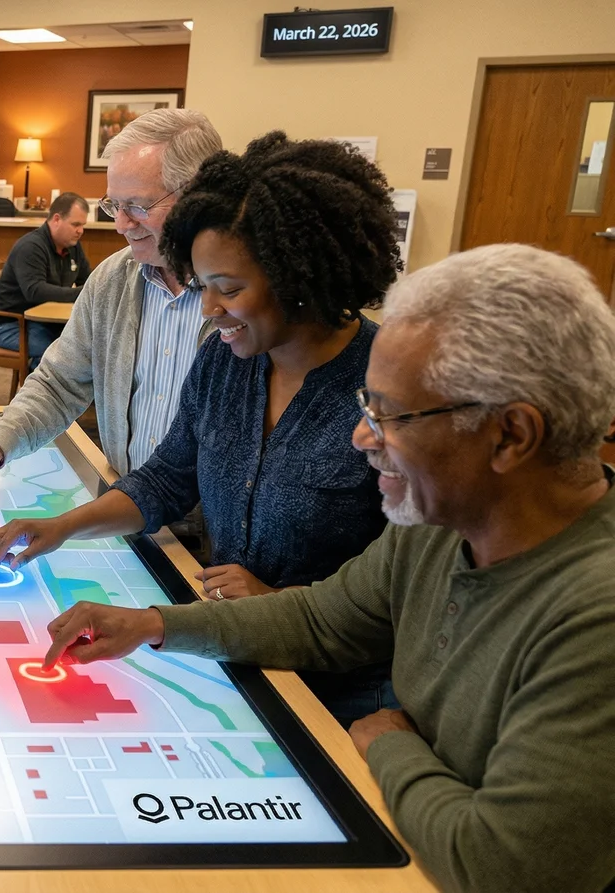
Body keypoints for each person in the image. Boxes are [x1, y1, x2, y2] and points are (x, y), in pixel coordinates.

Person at [40, 244, 615, 893]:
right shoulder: (437, 525)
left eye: (391, 415)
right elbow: (321, 619)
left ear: (510, 435)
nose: (362, 437)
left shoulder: (595, 616)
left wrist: (391, 745)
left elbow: (508, 866)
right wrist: (151, 624)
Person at [0, 132, 402, 724]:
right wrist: (62, 527)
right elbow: (166, 479)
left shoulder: (393, 388)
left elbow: (402, 588)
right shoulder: (223, 360)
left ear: (300, 277)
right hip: (233, 650)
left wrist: (283, 604)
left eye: (228, 290)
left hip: (341, 693)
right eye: (203, 286)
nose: (208, 310)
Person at [0, 109, 223, 494]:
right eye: (114, 205)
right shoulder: (110, 280)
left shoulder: (250, 298)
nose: (121, 224)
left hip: (214, 526)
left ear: (197, 196)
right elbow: (58, 383)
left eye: (138, 206)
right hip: (127, 504)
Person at [0, 192, 92, 370]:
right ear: (56, 219)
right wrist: (81, 293)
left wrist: (91, 290)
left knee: (84, 347)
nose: (80, 231)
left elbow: (88, 281)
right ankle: (36, 387)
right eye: (75, 224)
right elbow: (35, 291)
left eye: (82, 225)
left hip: (45, 323)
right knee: (56, 354)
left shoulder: (73, 247)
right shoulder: (31, 247)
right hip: (10, 325)